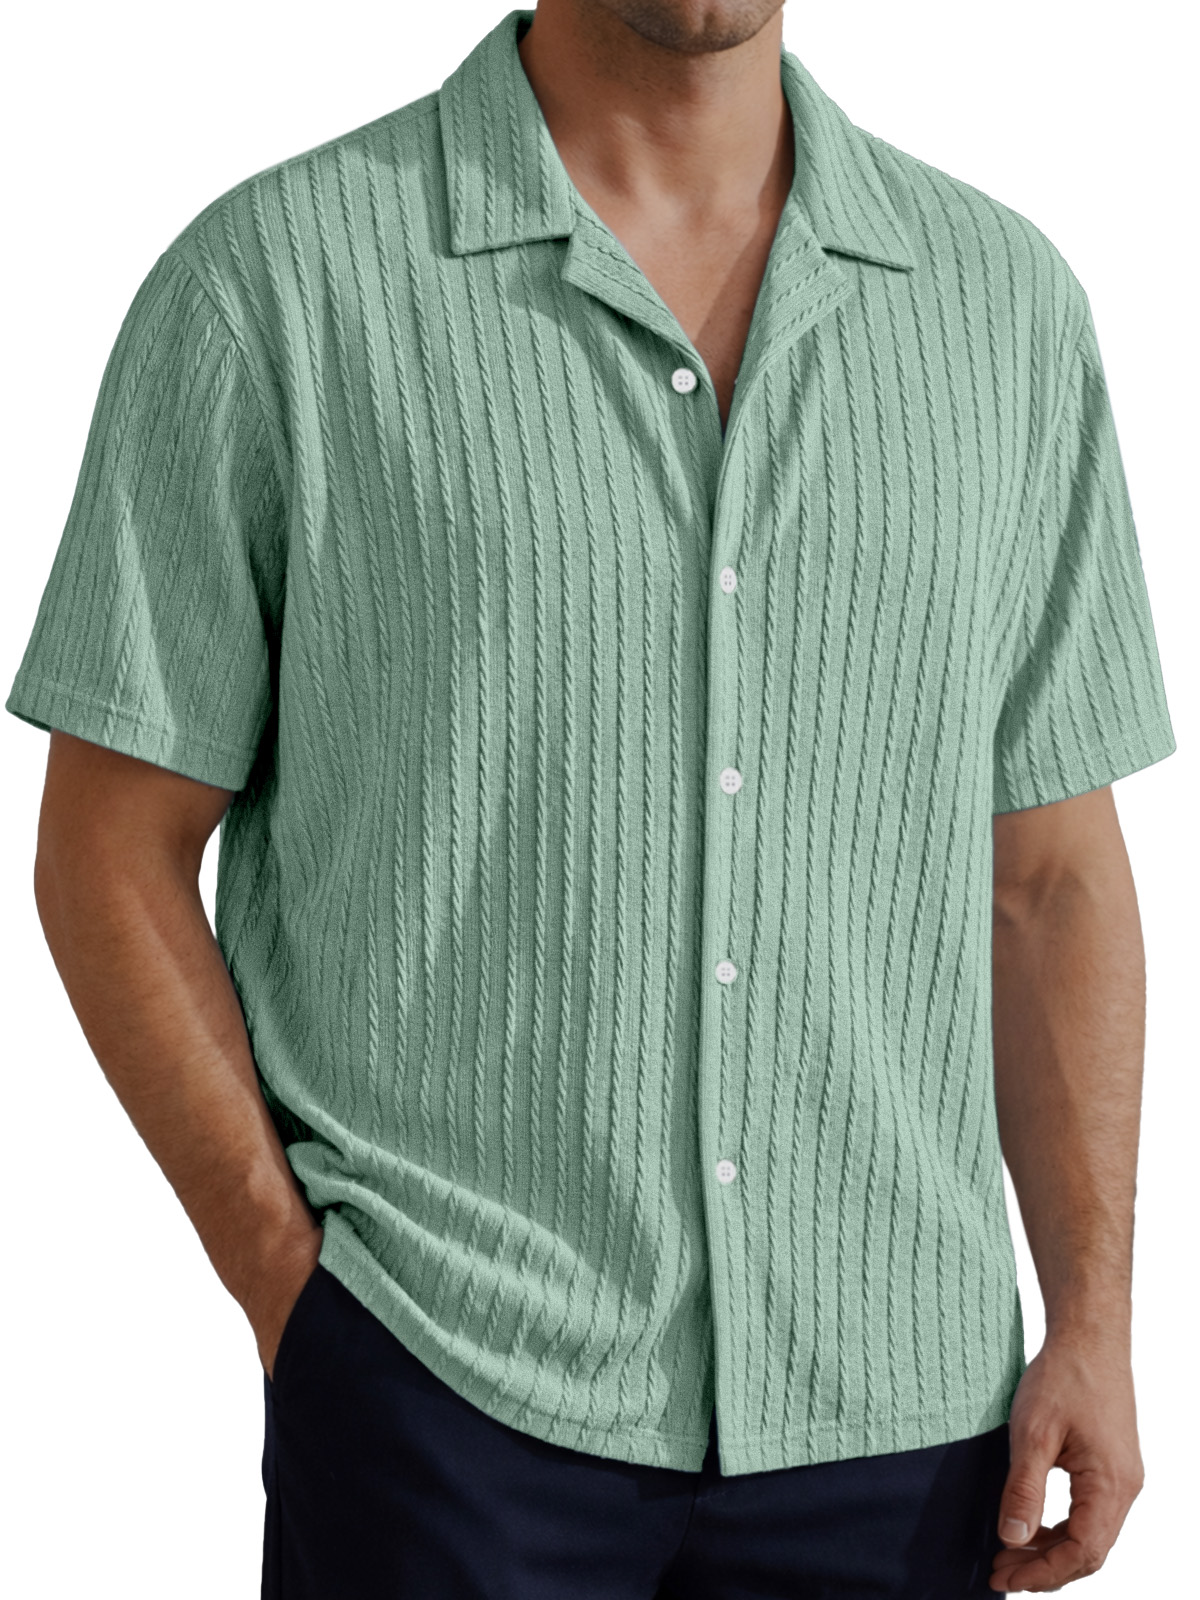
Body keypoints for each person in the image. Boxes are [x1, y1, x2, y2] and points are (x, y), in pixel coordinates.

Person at [7, 2, 1175, 1595]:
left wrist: (1095, 1319)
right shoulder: (271, 286)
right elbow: (108, 848)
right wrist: (292, 1287)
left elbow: (1049, 878)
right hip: (445, 1401)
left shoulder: (1007, 311)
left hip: (907, 1431)